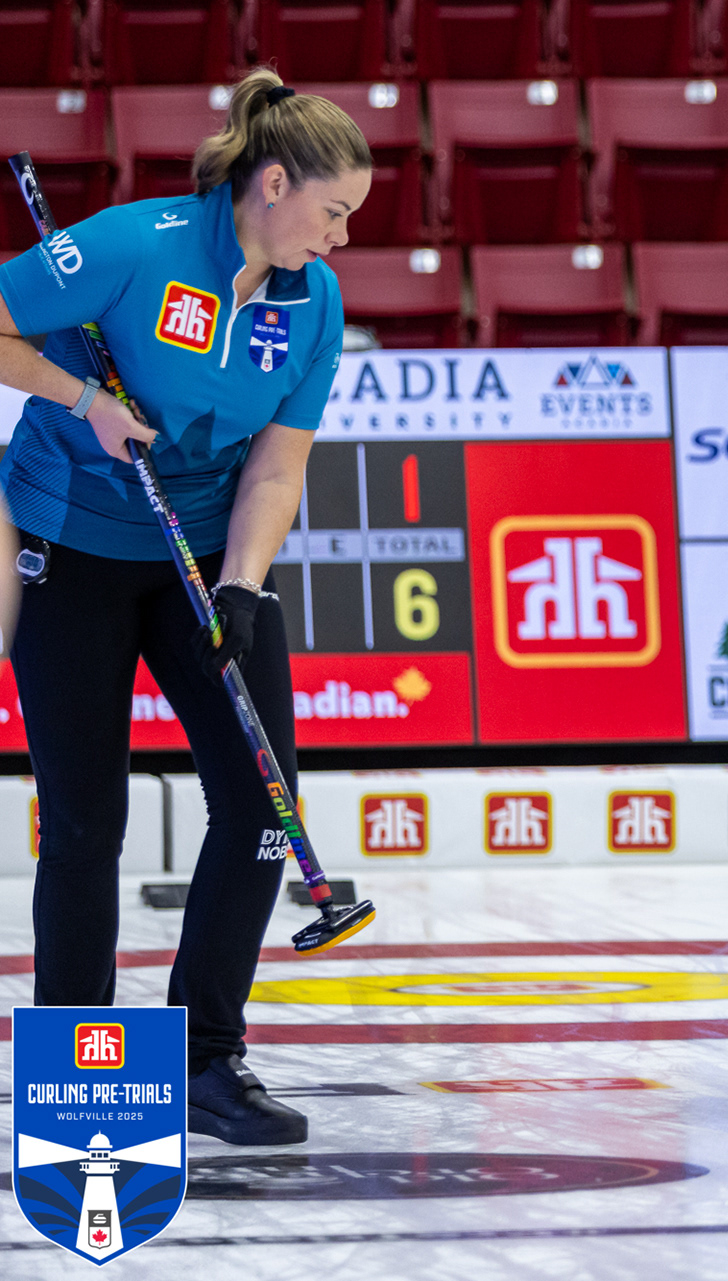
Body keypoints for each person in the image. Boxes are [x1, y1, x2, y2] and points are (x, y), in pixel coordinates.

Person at [0, 68, 370, 1144]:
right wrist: (83, 397)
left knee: (261, 805)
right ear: (273, 183)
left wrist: (242, 584)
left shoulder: (313, 301)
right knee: (86, 820)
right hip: (69, 541)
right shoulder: (135, 243)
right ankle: (76, 1071)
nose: (342, 239)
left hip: (203, 550)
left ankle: (206, 1060)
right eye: (334, 210)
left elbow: (279, 461)